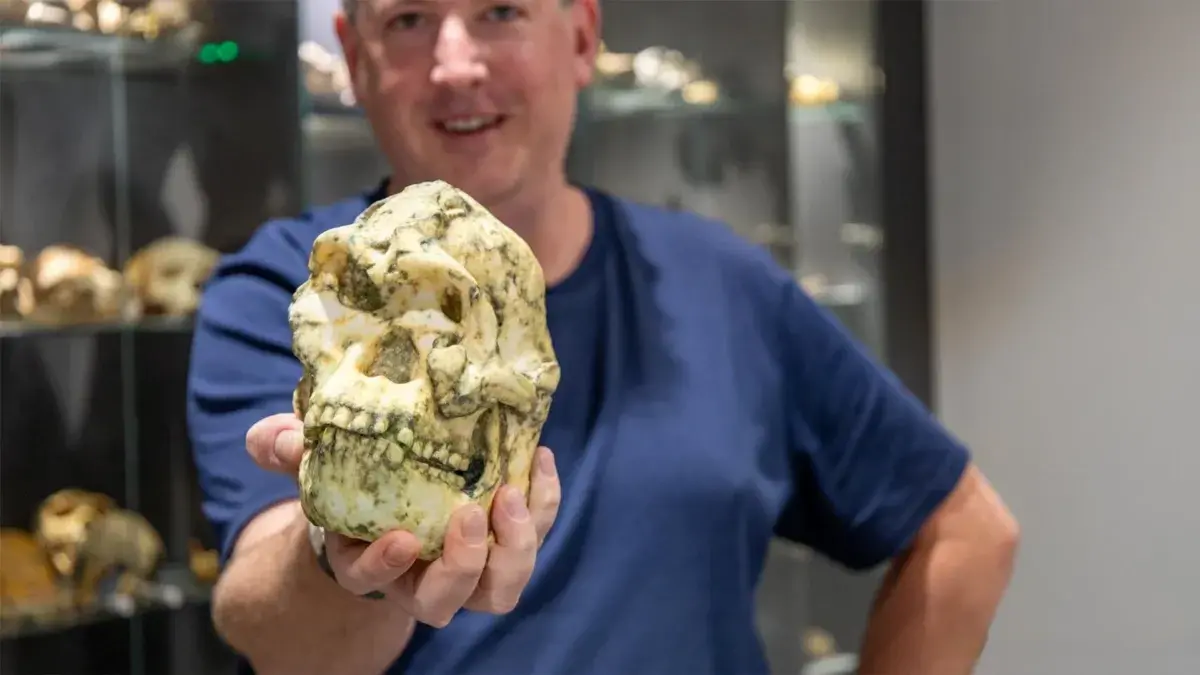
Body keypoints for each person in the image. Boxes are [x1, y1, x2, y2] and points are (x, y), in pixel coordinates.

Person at [186, 0, 1020, 673]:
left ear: (582, 37)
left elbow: (968, 530)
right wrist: (339, 557)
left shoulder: (725, 287)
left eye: (501, 13)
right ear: (353, 55)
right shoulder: (298, 291)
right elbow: (272, 631)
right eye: (408, 20)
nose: (455, 64)